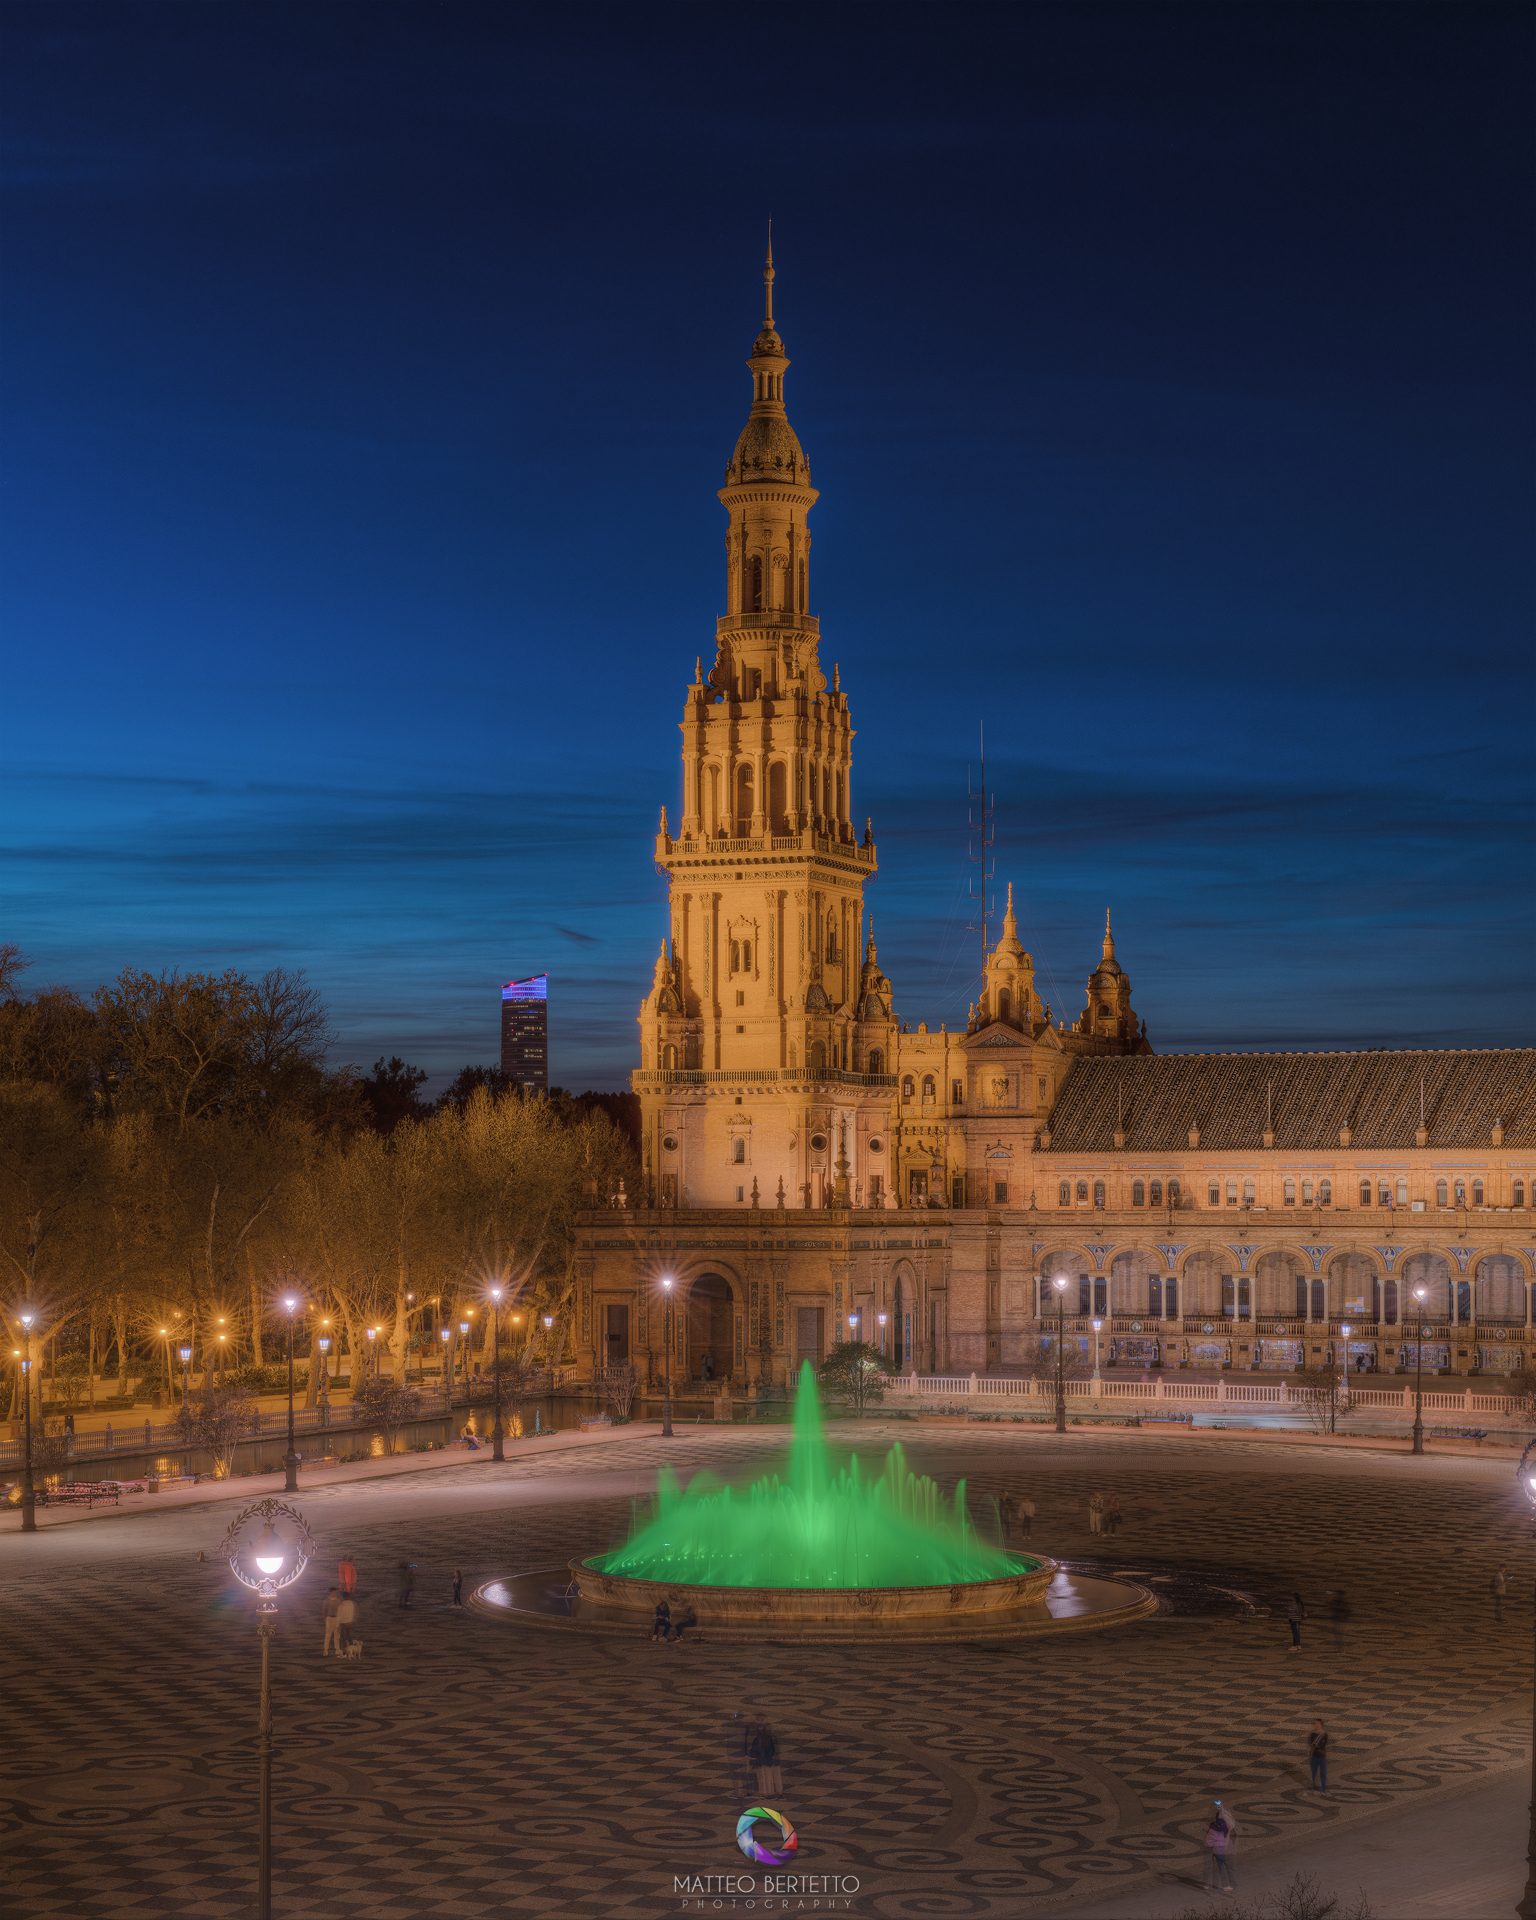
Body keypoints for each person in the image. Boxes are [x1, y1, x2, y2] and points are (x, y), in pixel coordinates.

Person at [1202, 1799, 1237, 1893]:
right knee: (1222, 1867)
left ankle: (1206, 1884)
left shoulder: (1213, 1826)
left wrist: (1220, 1807)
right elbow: (1230, 1824)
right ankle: (1225, 1886)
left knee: (1209, 1866)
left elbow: (1219, 1816)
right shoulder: (1223, 1829)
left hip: (1210, 1847)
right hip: (1219, 1849)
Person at [750, 1722, 783, 1796]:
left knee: (761, 1777)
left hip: (759, 1761)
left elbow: (753, 1751)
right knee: (768, 1777)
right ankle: (770, 1792)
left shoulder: (756, 1739)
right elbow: (772, 1749)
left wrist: (753, 1759)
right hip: (767, 1760)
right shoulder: (769, 1738)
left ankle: (763, 1792)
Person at [1308, 1719, 1328, 1792]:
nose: (1317, 1725)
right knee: (1314, 1774)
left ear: (1321, 1725)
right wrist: (1317, 1745)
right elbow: (1311, 1743)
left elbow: (1323, 1744)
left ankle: (1323, 1789)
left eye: (1318, 1724)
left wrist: (1317, 1745)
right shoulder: (1313, 1734)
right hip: (1314, 1756)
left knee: (1323, 1773)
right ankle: (1316, 1788)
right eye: (1315, 1724)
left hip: (1322, 1756)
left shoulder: (1324, 1734)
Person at [322, 1587, 342, 1656]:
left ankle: (337, 1649)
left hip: (336, 1618)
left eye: (336, 1592)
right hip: (330, 1618)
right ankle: (326, 1650)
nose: (335, 1594)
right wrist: (326, 1618)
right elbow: (324, 1610)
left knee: (337, 1635)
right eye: (334, 1592)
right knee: (328, 1635)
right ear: (330, 1592)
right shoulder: (326, 1601)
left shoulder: (338, 1600)